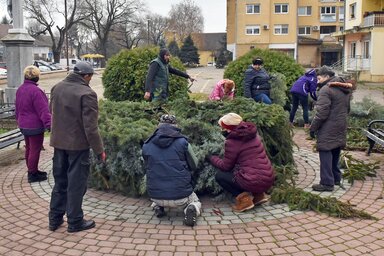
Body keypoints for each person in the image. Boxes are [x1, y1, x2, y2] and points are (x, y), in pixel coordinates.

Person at [48, 61, 106, 232]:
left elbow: (53, 112)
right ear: (86, 76)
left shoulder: (57, 88)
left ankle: (54, 219)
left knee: (60, 182)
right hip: (77, 146)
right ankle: (75, 221)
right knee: (76, 184)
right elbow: (91, 128)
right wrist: (99, 149)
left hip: (59, 144)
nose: (90, 80)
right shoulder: (87, 93)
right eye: (90, 77)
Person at [142, 114, 201, 227]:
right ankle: (191, 208)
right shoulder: (183, 143)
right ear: (175, 126)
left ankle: (158, 206)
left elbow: (147, 165)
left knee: (157, 192)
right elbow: (194, 164)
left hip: (156, 195)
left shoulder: (147, 144)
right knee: (195, 201)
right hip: (181, 196)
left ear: (158, 126)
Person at [209, 113, 275, 212]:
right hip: (268, 178)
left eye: (224, 128)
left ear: (230, 128)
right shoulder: (254, 135)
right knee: (247, 170)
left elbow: (226, 167)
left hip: (253, 181)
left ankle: (245, 201)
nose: (224, 131)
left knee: (221, 176)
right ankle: (259, 195)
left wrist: (211, 158)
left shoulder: (232, 142)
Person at [310, 66, 353, 192]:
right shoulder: (344, 88)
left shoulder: (326, 89)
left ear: (327, 77)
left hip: (328, 126)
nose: (317, 81)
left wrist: (313, 128)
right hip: (340, 123)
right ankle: (336, 178)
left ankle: (327, 183)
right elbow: (348, 109)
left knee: (325, 150)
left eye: (319, 78)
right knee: (335, 149)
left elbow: (322, 113)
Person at [15, 65, 51, 183]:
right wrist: (49, 125)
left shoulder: (20, 89)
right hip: (34, 126)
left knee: (29, 148)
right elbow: (43, 110)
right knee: (35, 149)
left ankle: (33, 169)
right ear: (36, 77)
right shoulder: (36, 91)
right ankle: (32, 174)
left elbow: (17, 108)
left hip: (23, 124)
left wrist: (18, 120)